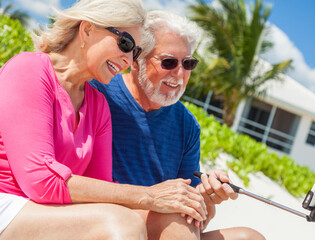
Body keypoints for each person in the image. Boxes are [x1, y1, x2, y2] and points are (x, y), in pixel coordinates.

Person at [0, 2, 209, 239]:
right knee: (121, 223)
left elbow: (102, 190)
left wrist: (191, 204)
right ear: (87, 29)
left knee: (173, 223)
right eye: (126, 43)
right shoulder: (30, 68)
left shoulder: (98, 105)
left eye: (136, 52)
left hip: (52, 211)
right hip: (9, 202)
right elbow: (41, 180)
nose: (129, 60)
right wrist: (150, 195)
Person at [90, 10, 266, 240]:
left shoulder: (187, 125)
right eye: (169, 61)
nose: (180, 73)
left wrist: (205, 198)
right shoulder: (100, 92)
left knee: (248, 237)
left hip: (164, 227)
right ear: (136, 60)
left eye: (188, 63)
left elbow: (195, 220)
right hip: (109, 217)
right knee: (174, 221)